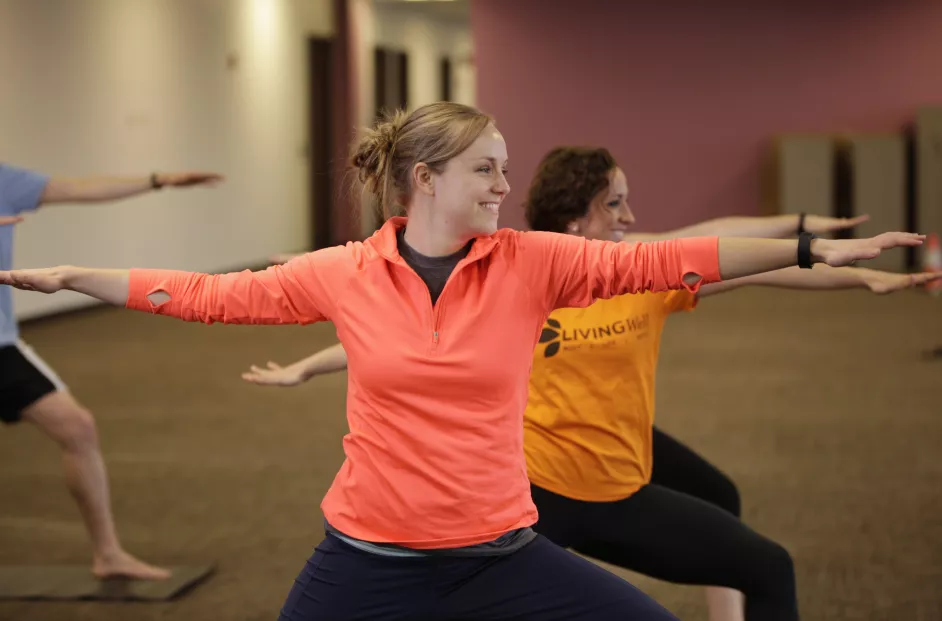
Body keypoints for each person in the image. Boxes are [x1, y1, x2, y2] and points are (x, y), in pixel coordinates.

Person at [0, 104, 926, 620]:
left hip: (502, 552)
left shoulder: (531, 261)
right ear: (426, 179)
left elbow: (673, 256)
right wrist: (78, 274)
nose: (502, 185)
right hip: (366, 558)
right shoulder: (346, 274)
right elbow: (205, 295)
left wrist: (809, 248)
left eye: (506, 167)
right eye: (487, 169)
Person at [249, 145, 939, 621]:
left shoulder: (638, 273)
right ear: (580, 214)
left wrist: (836, 257)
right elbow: (415, 342)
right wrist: (312, 363)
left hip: (617, 483)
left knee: (760, 557)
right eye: (616, 205)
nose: (632, 220)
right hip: (532, 493)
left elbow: (732, 250)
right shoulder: (525, 274)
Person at [0, 163, 223, 580]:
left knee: (77, 428)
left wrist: (156, 181)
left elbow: (79, 185)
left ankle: (108, 554)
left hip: (1, 344)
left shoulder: (2, 179)